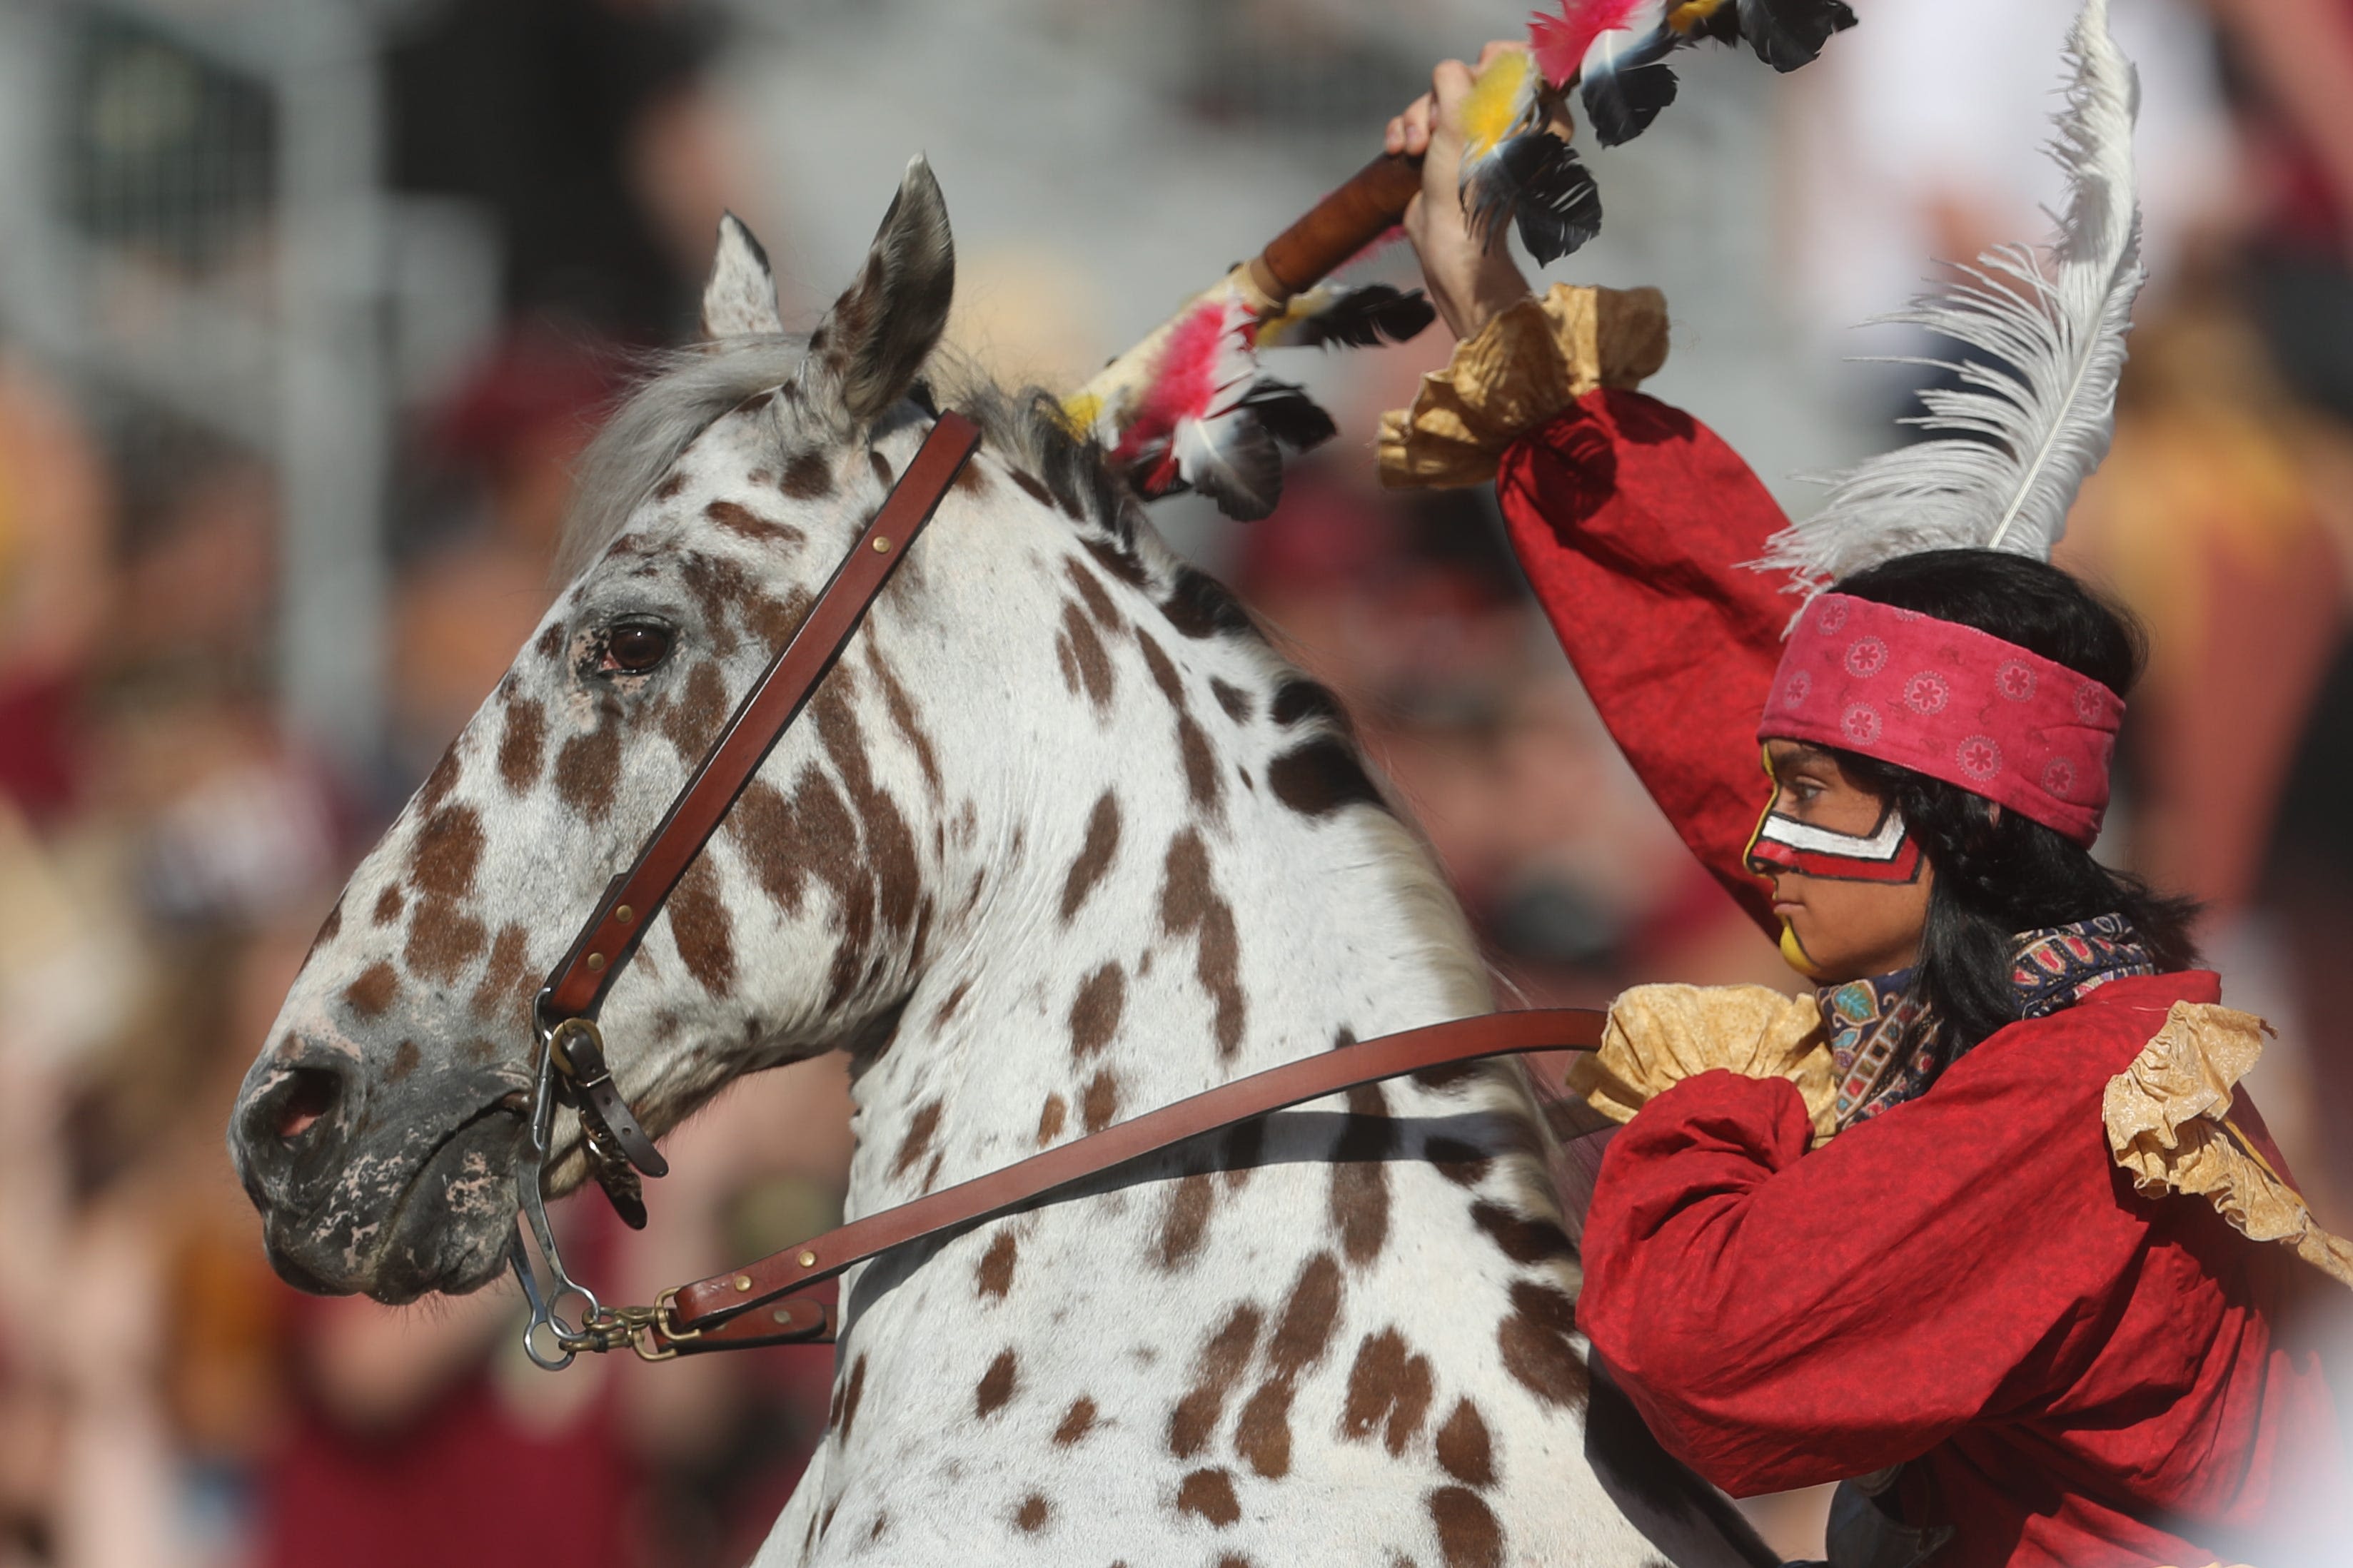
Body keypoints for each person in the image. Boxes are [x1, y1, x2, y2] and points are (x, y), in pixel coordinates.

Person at [1376, 22, 2350, 1568]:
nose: (1764, 842)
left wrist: (1727, 1098)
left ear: (1950, 837)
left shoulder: (2067, 1107)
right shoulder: (2018, 970)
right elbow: (1731, 682)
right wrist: (1488, 303)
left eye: (1813, 803)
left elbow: (1704, 1358)